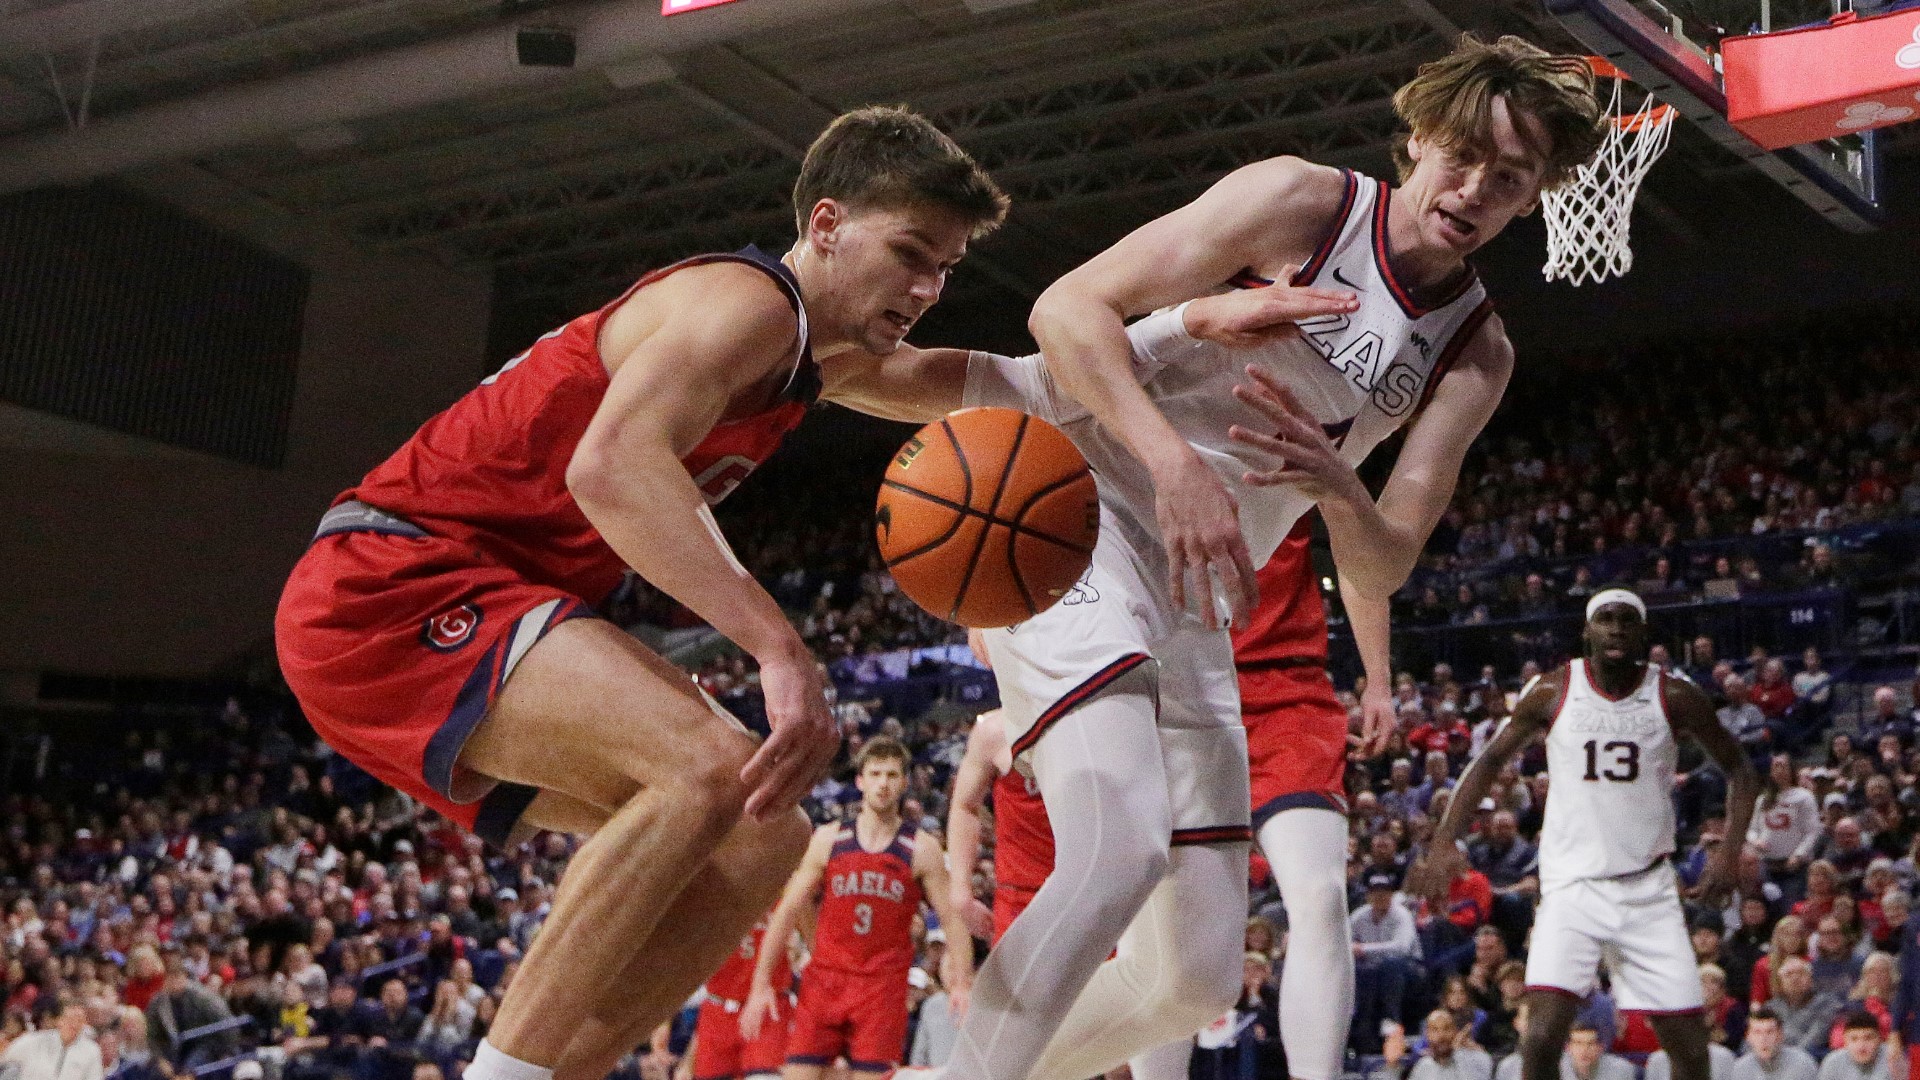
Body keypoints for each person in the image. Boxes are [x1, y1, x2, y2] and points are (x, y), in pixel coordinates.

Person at [908, 33, 1605, 1080]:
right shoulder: (1303, 202)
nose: (1474, 189)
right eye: (1463, 154)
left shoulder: (1476, 350)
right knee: (1115, 852)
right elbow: (1064, 309)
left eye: (1510, 180)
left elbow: (1386, 564)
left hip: (1198, 604)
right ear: (1419, 135)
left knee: (1191, 980)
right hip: (1077, 521)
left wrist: (1339, 490)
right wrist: (1169, 462)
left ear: (1533, 197)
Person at [274, 105, 1009, 1080]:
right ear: (826, 225)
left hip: (465, 592)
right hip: (394, 580)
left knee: (763, 833)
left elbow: (954, 381)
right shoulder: (747, 304)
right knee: (707, 766)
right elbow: (610, 468)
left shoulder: (808, 360)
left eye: (947, 266)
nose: (927, 286)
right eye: (911, 250)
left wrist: (1146, 365)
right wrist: (778, 647)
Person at [1414, 589, 1760, 1080]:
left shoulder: (1676, 695)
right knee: (1538, 1041)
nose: (1616, 628)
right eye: (1606, 618)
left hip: (1648, 888)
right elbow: (1489, 759)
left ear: (1643, 633)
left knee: (1691, 1054)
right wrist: (1445, 841)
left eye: (1626, 620)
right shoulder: (1552, 690)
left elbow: (1742, 771)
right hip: (1571, 887)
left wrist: (1728, 852)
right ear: (1586, 630)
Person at [742, 737, 969, 1078]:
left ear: (904, 783)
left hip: (881, 987)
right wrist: (760, 985)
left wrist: (963, 983)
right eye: (875, 774)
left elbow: (952, 920)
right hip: (827, 979)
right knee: (798, 1074)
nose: (883, 784)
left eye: (892, 775)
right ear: (860, 781)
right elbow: (787, 911)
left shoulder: (921, 849)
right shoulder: (829, 840)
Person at [692, 915, 793, 1080]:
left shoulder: (784, 893)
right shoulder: (703, 901)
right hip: (717, 1008)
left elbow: (814, 942)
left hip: (767, 1007)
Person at [1369, 1010, 1491, 1080]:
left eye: (1446, 1029)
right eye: (1435, 1030)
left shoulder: (1477, 1059)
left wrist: (1458, 1051)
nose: (1441, 1035)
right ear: (1427, 1035)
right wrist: (1392, 1064)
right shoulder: (1422, 1067)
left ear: (1455, 1031)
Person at [1, 1005, 103, 1080]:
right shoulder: (33, 1040)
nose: (74, 1024)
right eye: (70, 1019)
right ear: (59, 1020)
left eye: (79, 1020)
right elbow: (4, 1056)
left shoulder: (91, 1050)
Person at [1734, 1008, 1818, 1080]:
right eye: (1757, 1032)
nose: (1763, 1039)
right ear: (1748, 1037)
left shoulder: (1801, 1064)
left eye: (1769, 1032)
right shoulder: (1740, 1069)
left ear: (1780, 1035)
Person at [1816, 1012, 1891, 1080]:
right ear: (1845, 1041)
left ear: (1880, 1039)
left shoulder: (1893, 1058)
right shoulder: (1833, 1062)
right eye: (1854, 1039)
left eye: (1868, 1038)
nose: (1861, 1046)